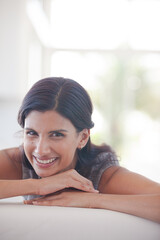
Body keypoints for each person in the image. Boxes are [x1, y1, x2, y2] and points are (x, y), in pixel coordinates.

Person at [0, 77, 160, 223]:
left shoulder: (101, 173)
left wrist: (93, 200)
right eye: (32, 133)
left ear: (83, 137)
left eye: (56, 134)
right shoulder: (17, 160)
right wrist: (38, 186)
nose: (40, 150)